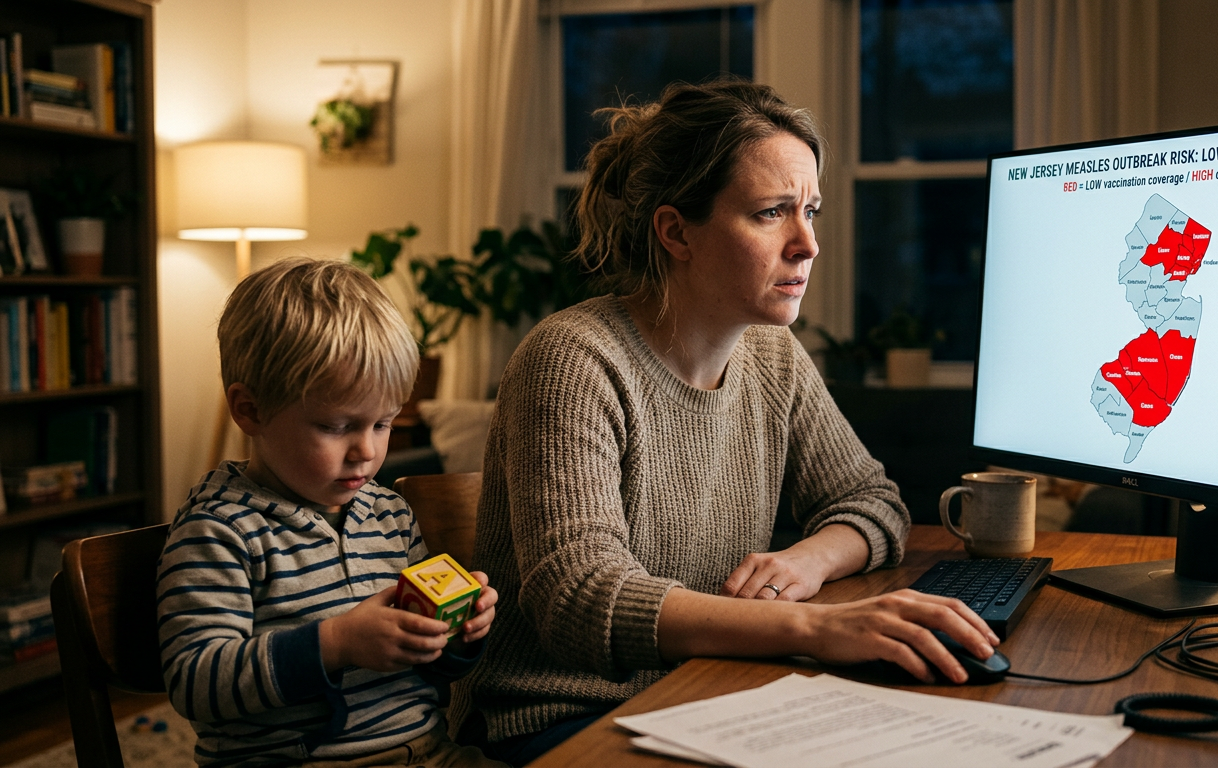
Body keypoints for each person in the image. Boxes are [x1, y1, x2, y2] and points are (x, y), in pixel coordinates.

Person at [450, 79, 1001, 765]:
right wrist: (817, 628)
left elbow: (870, 501)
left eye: (811, 211)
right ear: (676, 231)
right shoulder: (572, 359)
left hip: (715, 692)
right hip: (562, 719)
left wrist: (805, 562)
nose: (807, 244)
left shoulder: (773, 355)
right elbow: (582, 598)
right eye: (772, 213)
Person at [156, 259, 506, 767]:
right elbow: (195, 682)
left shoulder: (390, 515)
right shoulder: (218, 532)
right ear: (250, 410)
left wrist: (456, 635)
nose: (367, 451)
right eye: (336, 426)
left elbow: (429, 668)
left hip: (428, 752)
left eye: (383, 424)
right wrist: (334, 644)